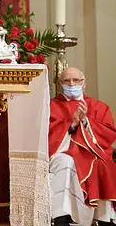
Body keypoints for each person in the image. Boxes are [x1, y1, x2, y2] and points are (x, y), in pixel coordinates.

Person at [49, 66, 116, 226]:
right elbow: (47, 136)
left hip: (92, 153)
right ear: (60, 84)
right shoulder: (51, 106)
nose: (72, 84)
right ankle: (62, 215)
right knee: (67, 162)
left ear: (84, 83)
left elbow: (108, 135)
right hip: (63, 151)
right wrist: (72, 124)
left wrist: (86, 122)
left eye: (76, 80)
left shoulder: (99, 107)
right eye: (66, 81)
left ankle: (104, 218)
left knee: (103, 163)